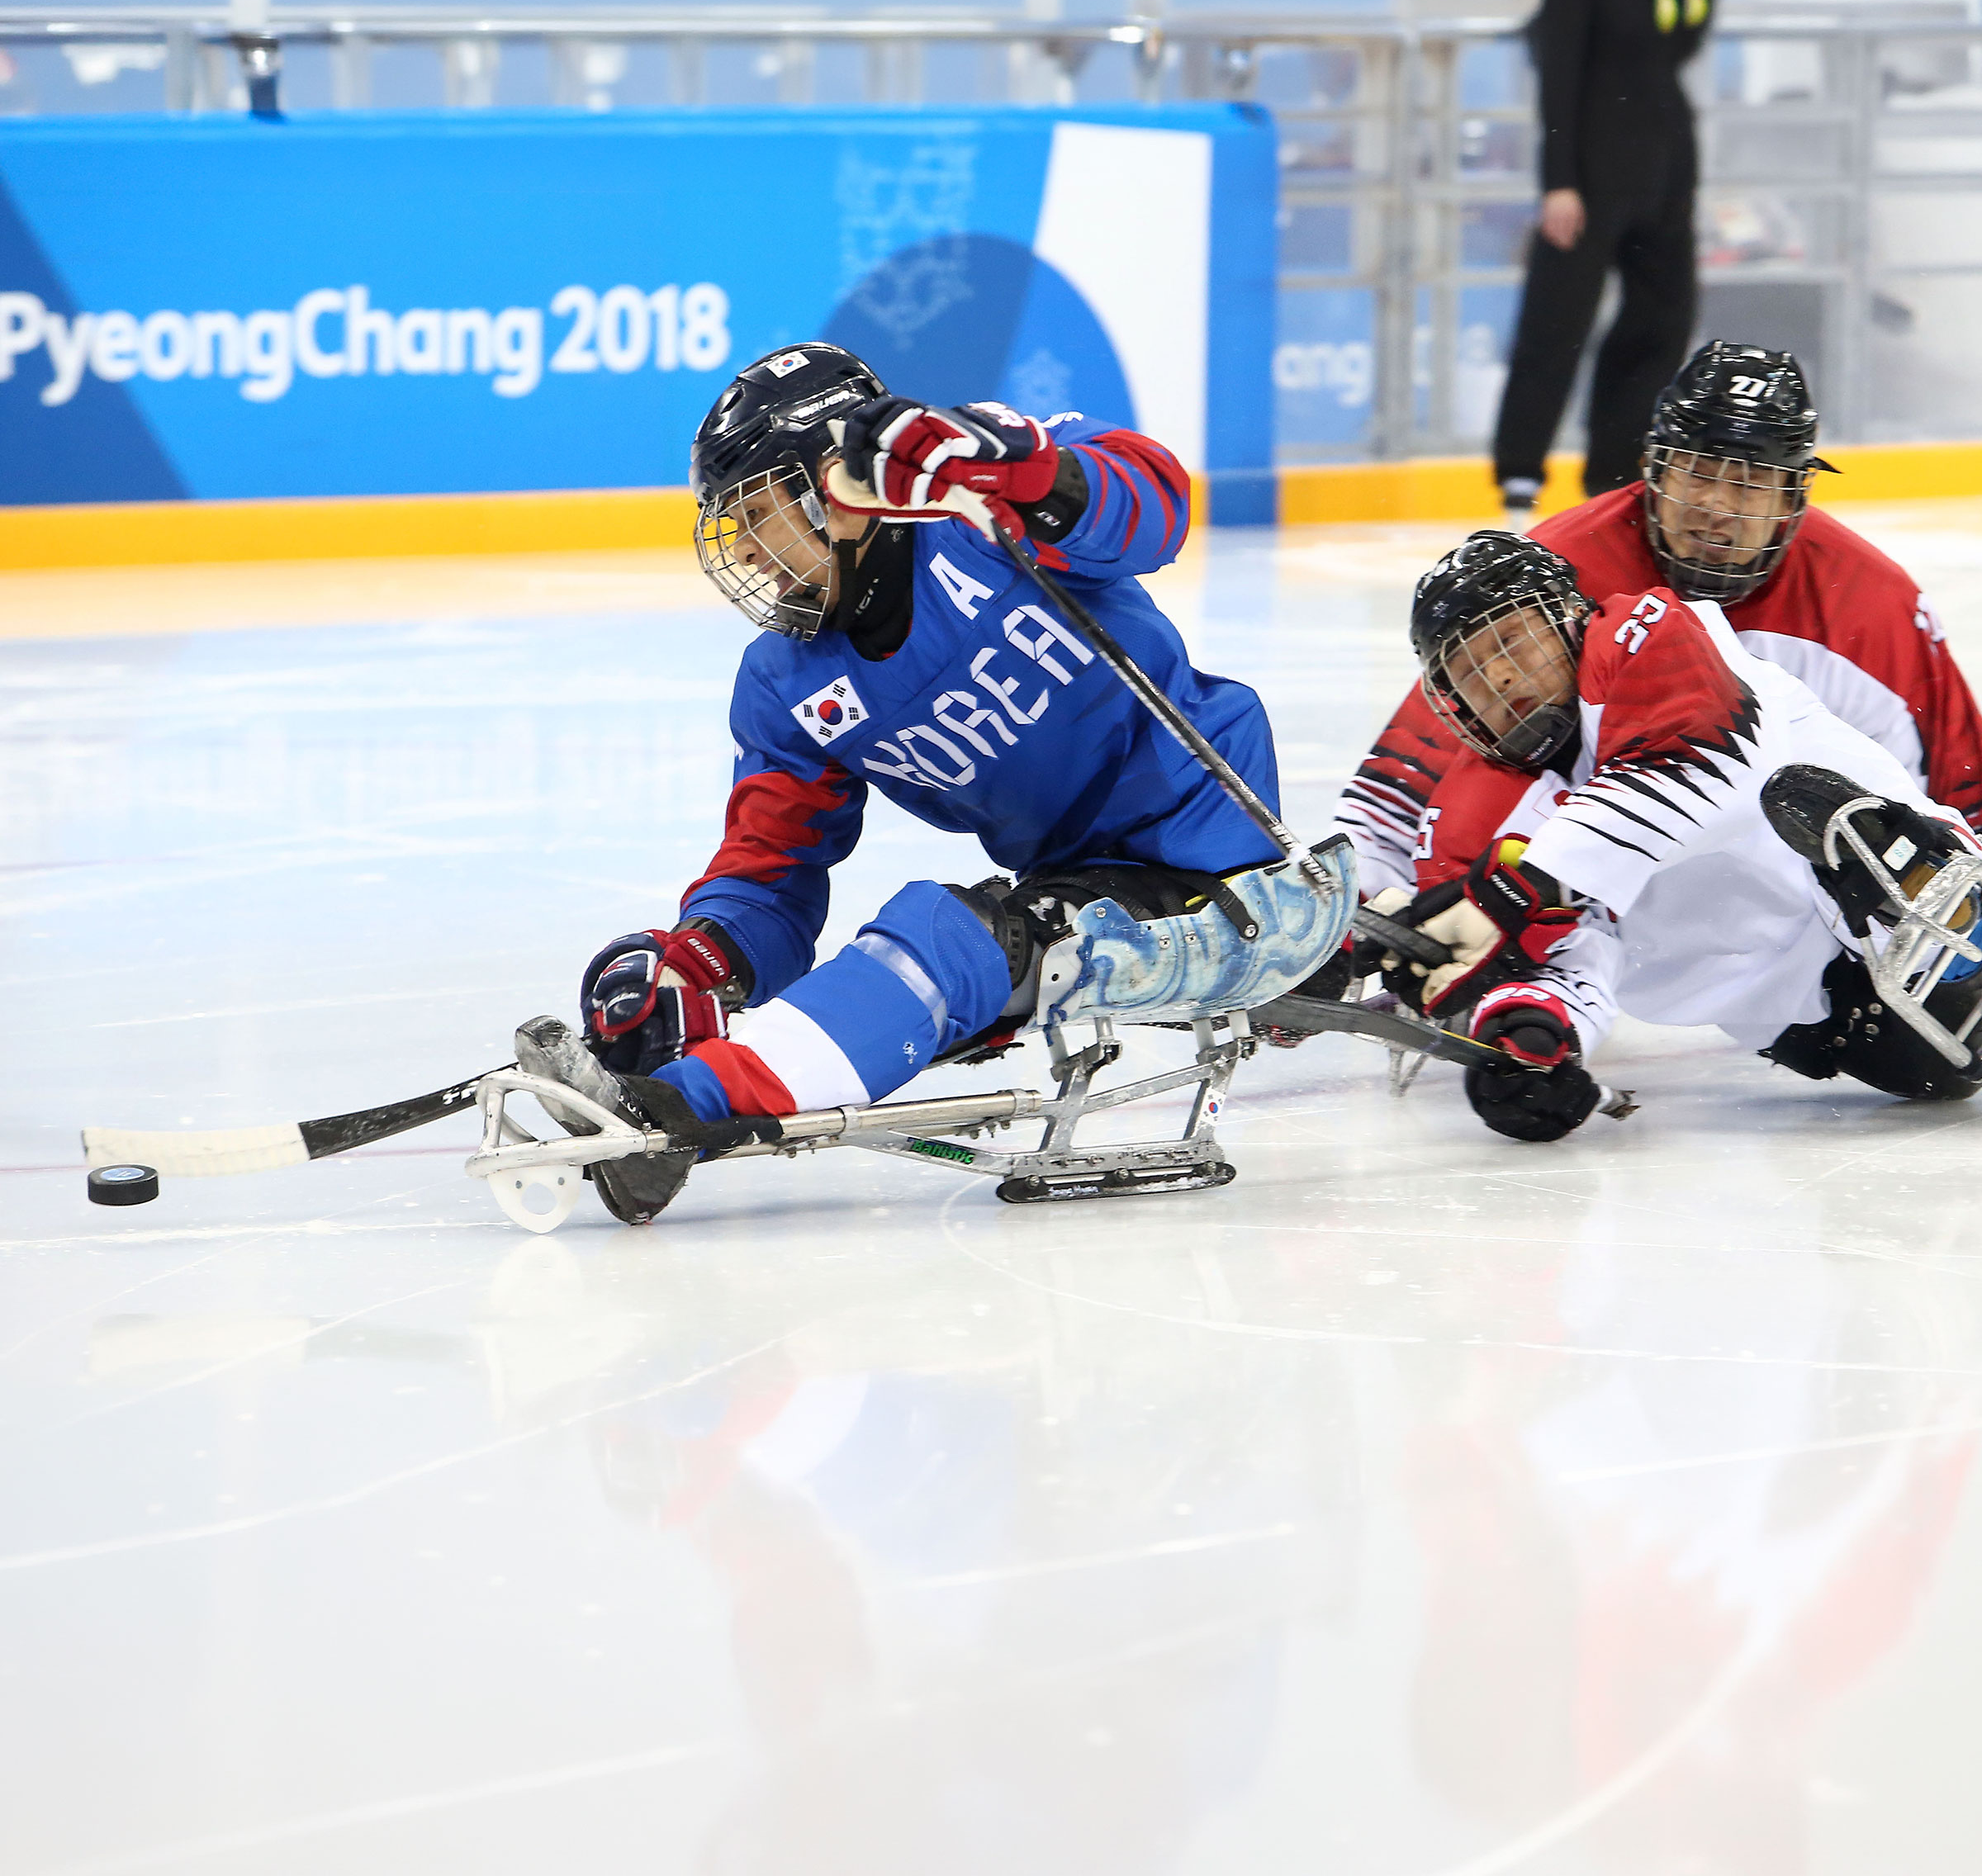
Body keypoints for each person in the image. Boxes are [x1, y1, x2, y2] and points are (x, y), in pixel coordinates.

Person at [512, 343, 1348, 1222]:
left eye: (760, 514)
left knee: (952, 941)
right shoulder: (785, 683)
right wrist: (706, 958)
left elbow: (1156, 504)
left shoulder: (987, 516)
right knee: (962, 944)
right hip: (1079, 890)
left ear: (835, 485)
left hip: (1224, 866)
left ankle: (683, 1116)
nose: (751, 556)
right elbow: (772, 867)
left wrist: (1021, 471)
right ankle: (684, 1089)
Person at [1363, 531, 1982, 1142]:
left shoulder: (1648, 636)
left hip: (1910, 894)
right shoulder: (1480, 822)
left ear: (1571, 618)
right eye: (1468, 671)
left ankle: (1948, 918)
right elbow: (1563, 955)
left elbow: (1706, 761)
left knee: (1829, 816)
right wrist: (1530, 1038)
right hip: (1835, 1025)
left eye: (1511, 641)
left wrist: (1516, 889)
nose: (1497, 675)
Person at [1340, 343, 1982, 900]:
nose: (1716, 507)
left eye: (1751, 482)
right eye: (1697, 473)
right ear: (1653, 467)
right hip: (1584, 894)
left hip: (1813, 919)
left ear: (1793, 497)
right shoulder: (1558, 574)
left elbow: (1962, 788)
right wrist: (1359, 907)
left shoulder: (1870, 603)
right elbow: (1413, 775)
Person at [1491, 0, 1718, 514]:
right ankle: (1521, 472)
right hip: (1589, 177)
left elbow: (1681, 40)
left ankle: (1616, 470)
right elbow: (1558, 73)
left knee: (1662, 321)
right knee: (1557, 322)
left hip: (1664, 172)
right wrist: (1559, 182)